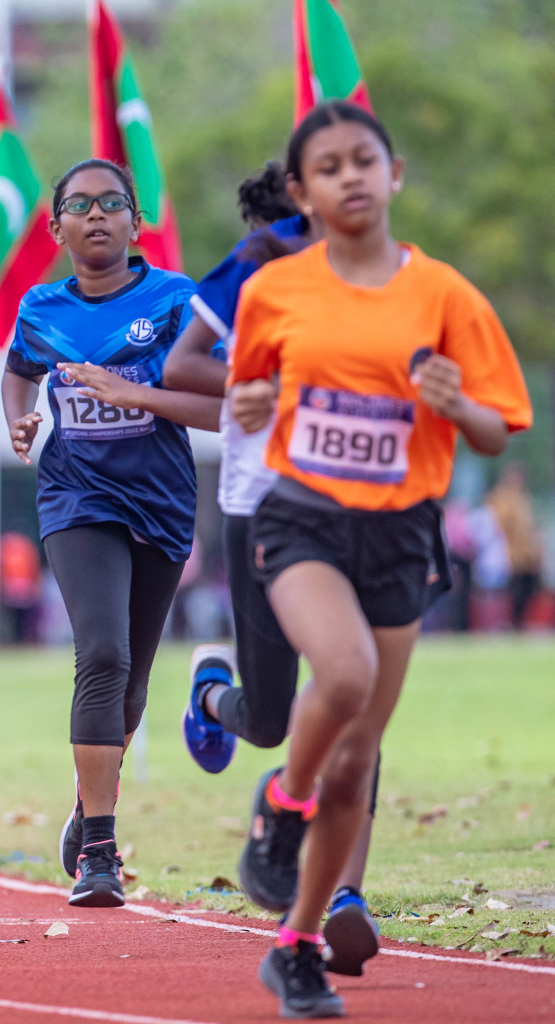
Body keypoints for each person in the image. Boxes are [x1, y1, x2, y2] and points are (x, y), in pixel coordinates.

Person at [227, 101, 531, 1018]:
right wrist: (251, 406)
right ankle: (282, 802)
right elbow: (249, 392)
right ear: (302, 192)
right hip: (305, 518)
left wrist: (454, 401)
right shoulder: (277, 292)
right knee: (346, 673)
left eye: (366, 160)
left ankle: (298, 943)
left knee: (358, 762)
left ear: (394, 174)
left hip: (403, 531)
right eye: (330, 167)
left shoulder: (446, 297)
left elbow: (493, 432)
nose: (351, 177)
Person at [162, 161, 386, 976]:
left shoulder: (390, 266)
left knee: (354, 693)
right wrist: (294, 391)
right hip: (266, 505)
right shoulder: (262, 260)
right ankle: (215, 695)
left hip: (363, 503)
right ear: (302, 192)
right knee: (270, 720)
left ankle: (347, 896)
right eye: (332, 168)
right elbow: (183, 367)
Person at [0, 158, 218, 909]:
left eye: (112, 203)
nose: (96, 215)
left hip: (160, 500)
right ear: (57, 228)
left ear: (135, 221)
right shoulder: (40, 307)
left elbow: (222, 411)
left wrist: (136, 393)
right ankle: (100, 852)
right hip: (75, 495)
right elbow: (18, 371)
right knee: (101, 651)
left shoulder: (176, 300)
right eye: (79, 206)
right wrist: (19, 421)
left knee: (130, 682)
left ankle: (85, 803)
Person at [484, 463, 544, 630]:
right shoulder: (501, 497)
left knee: (528, 589)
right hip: (510, 554)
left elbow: (531, 527)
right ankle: (509, 623)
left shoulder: (524, 497)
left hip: (527, 555)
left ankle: (520, 622)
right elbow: (499, 523)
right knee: (512, 591)